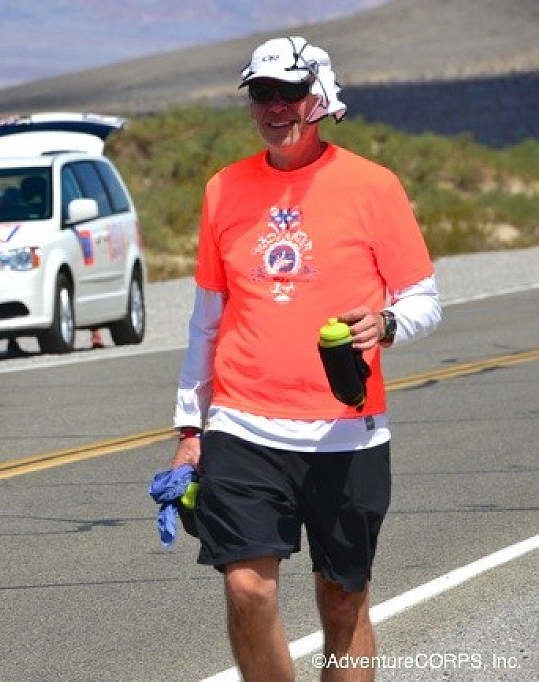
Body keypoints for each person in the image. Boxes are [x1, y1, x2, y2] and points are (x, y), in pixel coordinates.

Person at [168, 37, 442, 681]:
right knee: (247, 588)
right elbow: (206, 321)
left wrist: (387, 323)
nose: (275, 107)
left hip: (347, 430)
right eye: (262, 93)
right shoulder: (223, 189)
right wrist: (188, 428)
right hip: (244, 423)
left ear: (319, 97)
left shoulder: (373, 186)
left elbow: (424, 301)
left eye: (289, 93)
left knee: (344, 600)